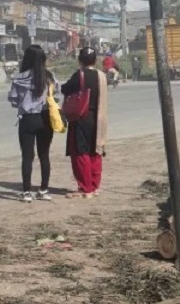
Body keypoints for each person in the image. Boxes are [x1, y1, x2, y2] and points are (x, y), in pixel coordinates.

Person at [7, 45, 60, 202]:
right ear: (43, 59)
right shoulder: (49, 77)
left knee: (27, 156)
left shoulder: (19, 78)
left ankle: (27, 192)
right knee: (44, 155)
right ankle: (43, 190)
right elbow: (57, 92)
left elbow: (14, 100)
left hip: (27, 120)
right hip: (45, 118)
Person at [62, 47, 108, 199]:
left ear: (80, 60)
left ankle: (85, 188)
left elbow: (65, 89)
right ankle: (94, 186)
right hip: (98, 117)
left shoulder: (79, 75)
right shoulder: (101, 75)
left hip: (82, 117)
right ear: (95, 60)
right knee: (96, 150)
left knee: (81, 152)